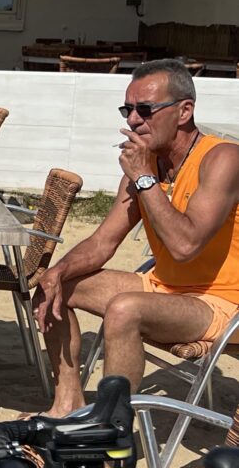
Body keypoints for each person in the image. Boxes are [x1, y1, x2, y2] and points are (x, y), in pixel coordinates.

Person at [34, 59, 239, 416]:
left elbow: (185, 246)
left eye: (145, 109)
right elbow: (101, 243)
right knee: (53, 286)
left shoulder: (222, 158)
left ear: (184, 111)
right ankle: (67, 403)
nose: (132, 120)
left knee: (125, 309)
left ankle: (110, 432)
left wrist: (145, 179)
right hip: (165, 288)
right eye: (127, 109)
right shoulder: (146, 167)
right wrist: (57, 271)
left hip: (222, 301)